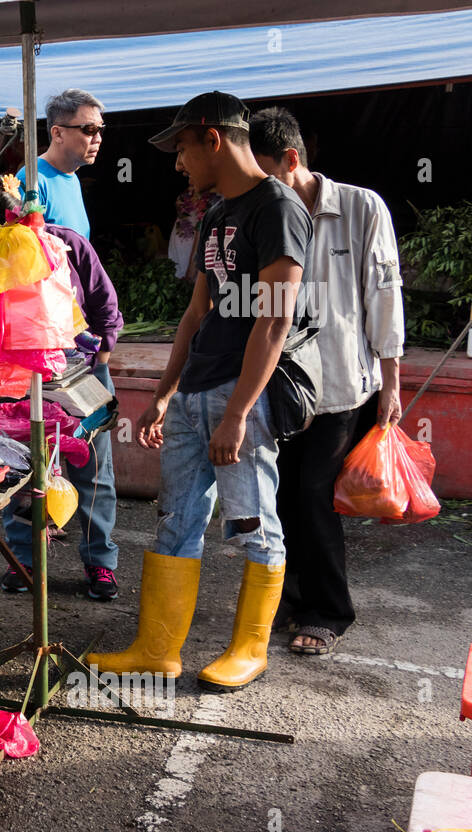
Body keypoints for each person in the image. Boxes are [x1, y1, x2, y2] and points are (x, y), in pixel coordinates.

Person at [88, 91, 313, 692]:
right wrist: (163, 393)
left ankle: (249, 649)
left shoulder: (278, 208)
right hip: (194, 395)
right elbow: (196, 313)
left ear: (212, 138)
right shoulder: (216, 213)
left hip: (243, 397)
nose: (178, 162)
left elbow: (274, 319)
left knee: (254, 523)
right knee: (174, 520)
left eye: (182, 147)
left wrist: (238, 413)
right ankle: (158, 650)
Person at [249, 106, 406, 655]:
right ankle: (288, 599)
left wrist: (392, 383)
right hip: (280, 380)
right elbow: (262, 298)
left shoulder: (361, 208)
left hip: (340, 384)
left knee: (312, 494)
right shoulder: (267, 210)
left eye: (265, 171)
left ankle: (328, 610)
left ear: (292, 159)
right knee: (280, 496)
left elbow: (384, 298)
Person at [0, 177, 124, 601]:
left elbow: (107, 310)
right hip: (19, 382)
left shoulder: (68, 246)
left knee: (93, 473)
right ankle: (24, 560)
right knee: (21, 471)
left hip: (81, 376)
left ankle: (100, 564)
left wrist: (97, 370)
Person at [15, 89, 105, 239]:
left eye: (101, 129)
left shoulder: (72, 177)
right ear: (57, 133)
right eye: (90, 129)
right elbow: (23, 253)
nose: (98, 139)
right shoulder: (32, 180)